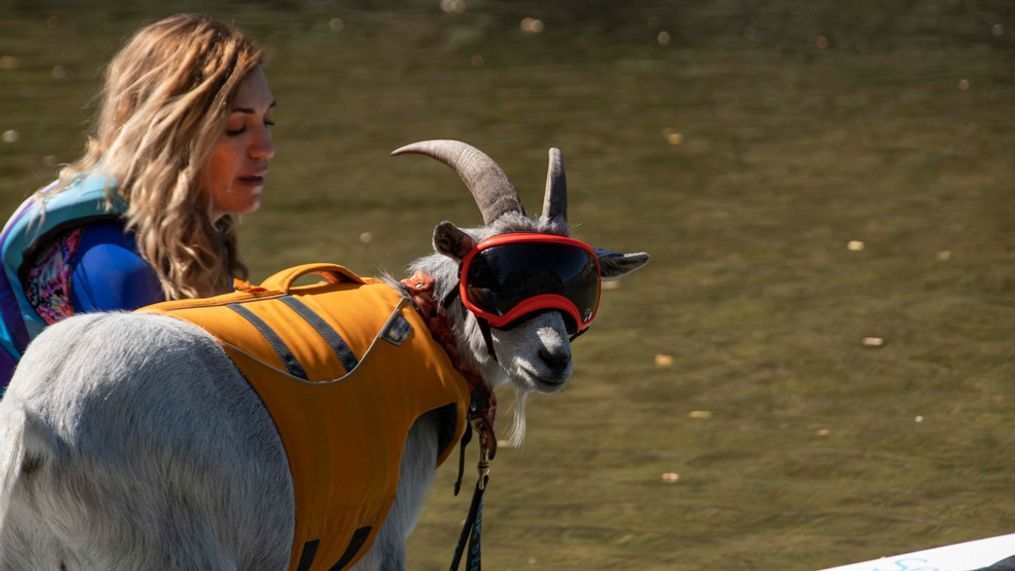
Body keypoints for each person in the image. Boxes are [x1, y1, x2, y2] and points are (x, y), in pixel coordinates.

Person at [0, 14, 275, 387]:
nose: (265, 149)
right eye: (236, 128)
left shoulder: (188, 233)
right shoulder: (117, 263)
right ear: (171, 135)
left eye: (267, 122)